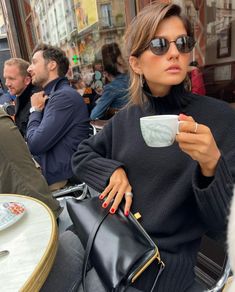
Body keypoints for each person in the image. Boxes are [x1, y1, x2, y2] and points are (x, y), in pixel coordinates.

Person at [43, 3, 235, 292]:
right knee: (51, 260)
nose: (174, 53)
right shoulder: (128, 118)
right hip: (109, 231)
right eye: (159, 45)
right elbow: (81, 155)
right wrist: (113, 172)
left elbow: (223, 227)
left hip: (157, 262)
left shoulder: (219, 120)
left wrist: (211, 168)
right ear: (135, 63)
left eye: (182, 43)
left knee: (92, 284)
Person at [26, 44, 90, 191]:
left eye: (34, 62)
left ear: (52, 65)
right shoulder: (54, 95)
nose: (29, 68)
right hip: (50, 171)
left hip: (59, 180)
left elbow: (35, 144)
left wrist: (34, 110)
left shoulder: (63, 97)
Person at [0, 107, 61, 218]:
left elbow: (35, 144)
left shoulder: (58, 98)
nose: (8, 88)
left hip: (35, 213)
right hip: (33, 201)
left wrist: (35, 111)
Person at [90, 42, 129, 120]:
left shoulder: (112, 88)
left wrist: (108, 109)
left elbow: (94, 115)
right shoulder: (134, 78)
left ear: (105, 73)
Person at [3, 58, 36, 138]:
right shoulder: (21, 98)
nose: (7, 84)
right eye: (5, 78)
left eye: (11, 78)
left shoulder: (36, 101)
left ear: (27, 80)